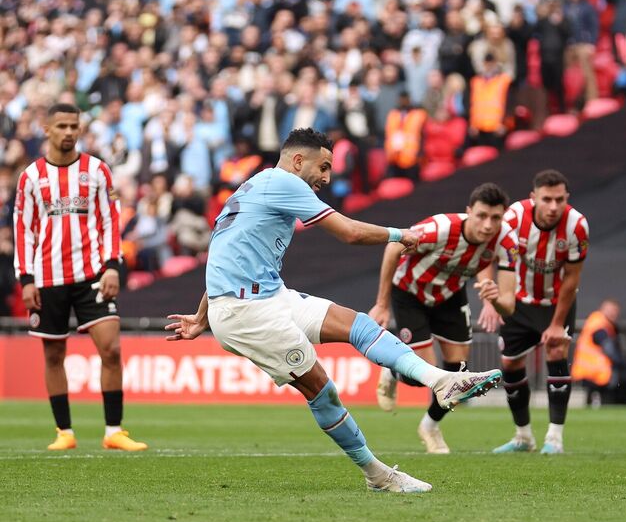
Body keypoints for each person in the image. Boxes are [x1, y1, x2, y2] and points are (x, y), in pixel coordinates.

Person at [164, 128, 502, 493]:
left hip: (265, 297)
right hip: (247, 312)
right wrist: (399, 234)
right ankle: (379, 475)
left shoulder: (253, 186)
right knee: (322, 390)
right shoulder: (284, 182)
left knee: (356, 323)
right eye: (323, 167)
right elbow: (350, 232)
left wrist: (202, 316)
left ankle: (442, 381)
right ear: (297, 161)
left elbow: (224, 256)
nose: (327, 177)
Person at [13, 103, 146, 452]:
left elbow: (110, 221)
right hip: (47, 276)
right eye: (62, 126)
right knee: (54, 355)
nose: (69, 132)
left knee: (112, 349)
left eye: (75, 126)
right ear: (47, 129)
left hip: (93, 275)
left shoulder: (97, 171)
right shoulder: (31, 177)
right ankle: (64, 432)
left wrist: (113, 266)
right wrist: (26, 278)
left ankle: (113, 430)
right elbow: (24, 230)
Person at [369, 183, 519, 454]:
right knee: (421, 375)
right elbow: (394, 247)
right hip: (410, 292)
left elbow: (508, 306)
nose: (488, 225)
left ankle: (429, 426)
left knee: (458, 375)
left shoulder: (507, 242)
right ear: (469, 212)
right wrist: (382, 304)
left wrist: (495, 299)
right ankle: (392, 371)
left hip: (449, 295)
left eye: (496, 218)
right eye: (482, 216)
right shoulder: (440, 228)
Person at [483, 170, 589, 455]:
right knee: (511, 365)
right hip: (516, 302)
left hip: (556, 302)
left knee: (556, 354)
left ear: (567, 198)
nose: (554, 207)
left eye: (559, 199)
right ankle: (523, 437)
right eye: (547, 199)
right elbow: (486, 254)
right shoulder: (513, 218)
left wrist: (556, 324)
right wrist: (488, 300)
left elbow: (572, 278)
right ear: (533, 198)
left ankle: (554, 438)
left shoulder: (577, 225)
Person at [572, 299, 626, 407]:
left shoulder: (605, 326)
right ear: (602, 310)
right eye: (610, 310)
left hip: (597, 372)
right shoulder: (599, 326)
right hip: (597, 373)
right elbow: (613, 355)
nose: (613, 313)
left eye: (616, 311)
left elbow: (625, 356)